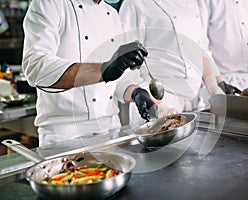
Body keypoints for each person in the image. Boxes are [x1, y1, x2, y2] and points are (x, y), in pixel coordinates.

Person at [22, 0, 158, 147]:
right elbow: (36, 67)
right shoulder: (50, 4)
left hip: (110, 129)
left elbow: (116, 76)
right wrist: (104, 70)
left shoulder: (112, 15)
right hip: (64, 134)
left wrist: (135, 92)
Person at [119, 0, 230, 126]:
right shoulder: (134, 4)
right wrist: (155, 104)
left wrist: (213, 87)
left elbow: (201, 50)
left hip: (196, 103)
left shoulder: (193, 3)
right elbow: (125, 62)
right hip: (161, 104)